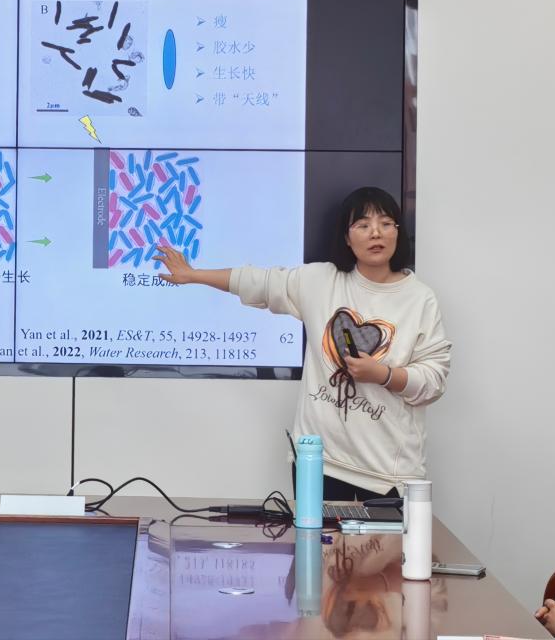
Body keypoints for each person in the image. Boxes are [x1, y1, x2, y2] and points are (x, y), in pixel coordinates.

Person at [155, 187, 451, 501]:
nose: (375, 233)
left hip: (388, 475)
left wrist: (383, 375)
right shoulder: (320, 281)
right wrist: (193, 275)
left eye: (386, 223)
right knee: (313, 536)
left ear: (398, 232)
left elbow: (434, 382)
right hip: (319, 464)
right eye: (363, 225)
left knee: (390, 538)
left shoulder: (420, 299)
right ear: (347, 238)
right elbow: (258, 282)